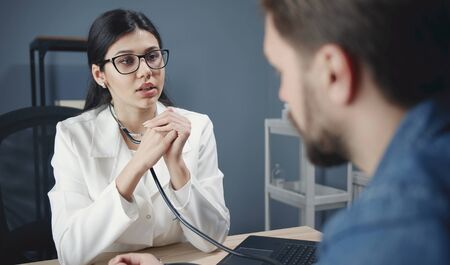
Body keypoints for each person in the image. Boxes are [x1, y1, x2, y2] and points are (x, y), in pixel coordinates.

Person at [108, 0, 450, 264]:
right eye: (126, 62)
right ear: (101, 74)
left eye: (281, 71)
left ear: (333, 73)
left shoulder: (386, 233)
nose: (282, 94)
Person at [48, 9, 230, 265]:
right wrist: (136, 166)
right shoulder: (71, 136)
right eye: (126, 61)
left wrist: (177, 166)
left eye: (152, 56)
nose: (146, 71)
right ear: (100, 75)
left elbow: (214, 239)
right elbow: (69, 253)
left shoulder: (197, 126)